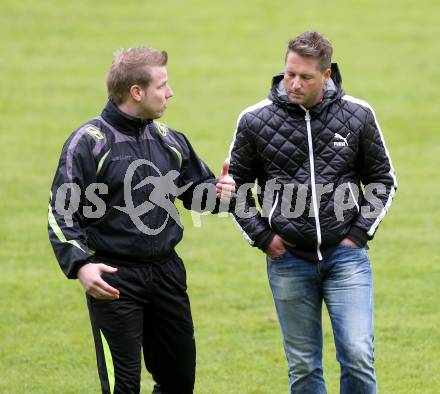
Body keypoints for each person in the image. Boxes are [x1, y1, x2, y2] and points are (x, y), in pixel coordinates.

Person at [47, 47, 235, 394]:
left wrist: (223, 193)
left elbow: (197, 193)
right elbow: (62, 214)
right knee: (124, 387)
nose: (170, 92)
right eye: (162, 85)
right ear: (137, 92)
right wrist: (82, 266)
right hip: (114, 280)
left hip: (166, 274)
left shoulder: (169, 140)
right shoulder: (89, 144)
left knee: (179, 382)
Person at [228, 31, 397, 393]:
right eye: (289, 73)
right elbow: (235, 188)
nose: (293, 83)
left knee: (357, 353)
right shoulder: (254, 120)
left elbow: (383, 179)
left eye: (305, 77)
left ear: (327, 75)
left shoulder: (358, 114)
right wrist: (263, 237)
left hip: (346, 257)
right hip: (288, 259)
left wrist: (357, 235)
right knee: (303, 366)